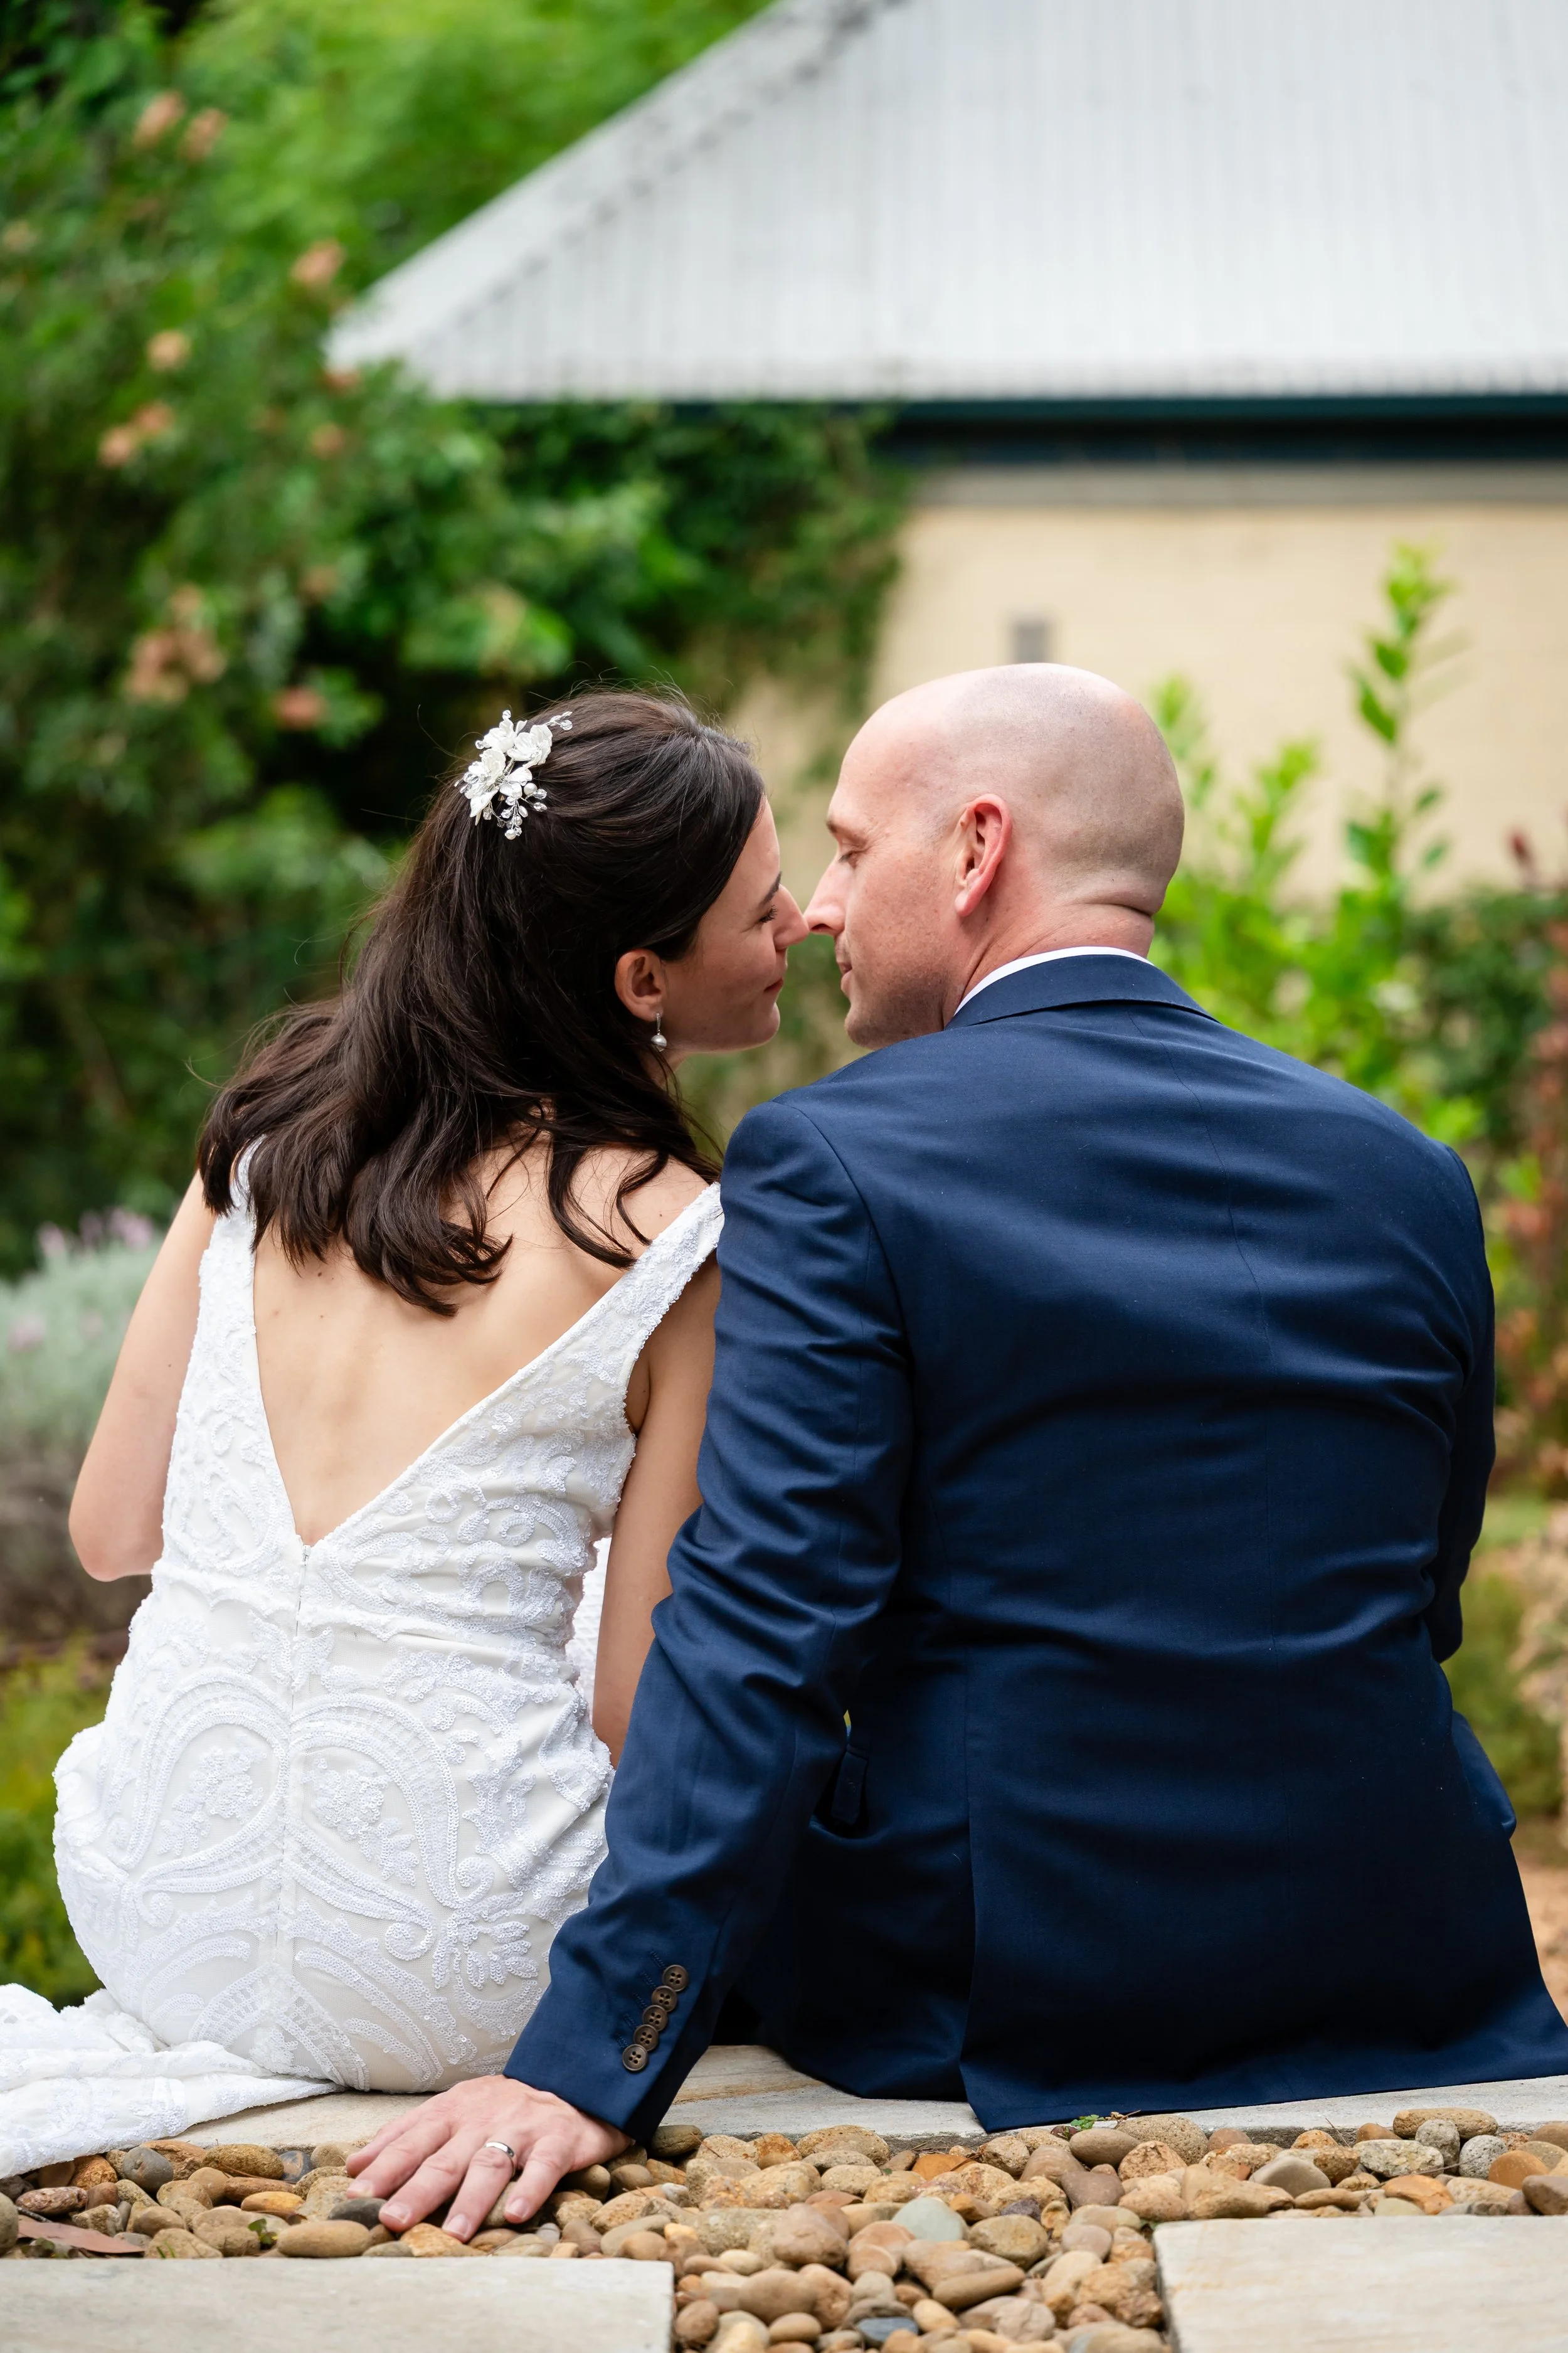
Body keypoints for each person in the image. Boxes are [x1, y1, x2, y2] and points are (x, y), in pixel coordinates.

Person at [351, 661, 1568, 2240]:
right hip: (1401, 1949)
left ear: (977, 851)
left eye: (852, 852)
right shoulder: (1404, 1169)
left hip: (1013, 1983)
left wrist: (591, 2059)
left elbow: (763, 1629)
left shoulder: (837, 1157)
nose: (819, 909)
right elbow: (1418, 1589)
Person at [54, 692, 807, 2120]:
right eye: (764, 910)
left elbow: (109, 1529)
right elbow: (639, 1705)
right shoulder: (677, 1237)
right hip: (469, 1964)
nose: (803, 928)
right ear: (642, 981)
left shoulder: (268, 1135)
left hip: (153, 1905)